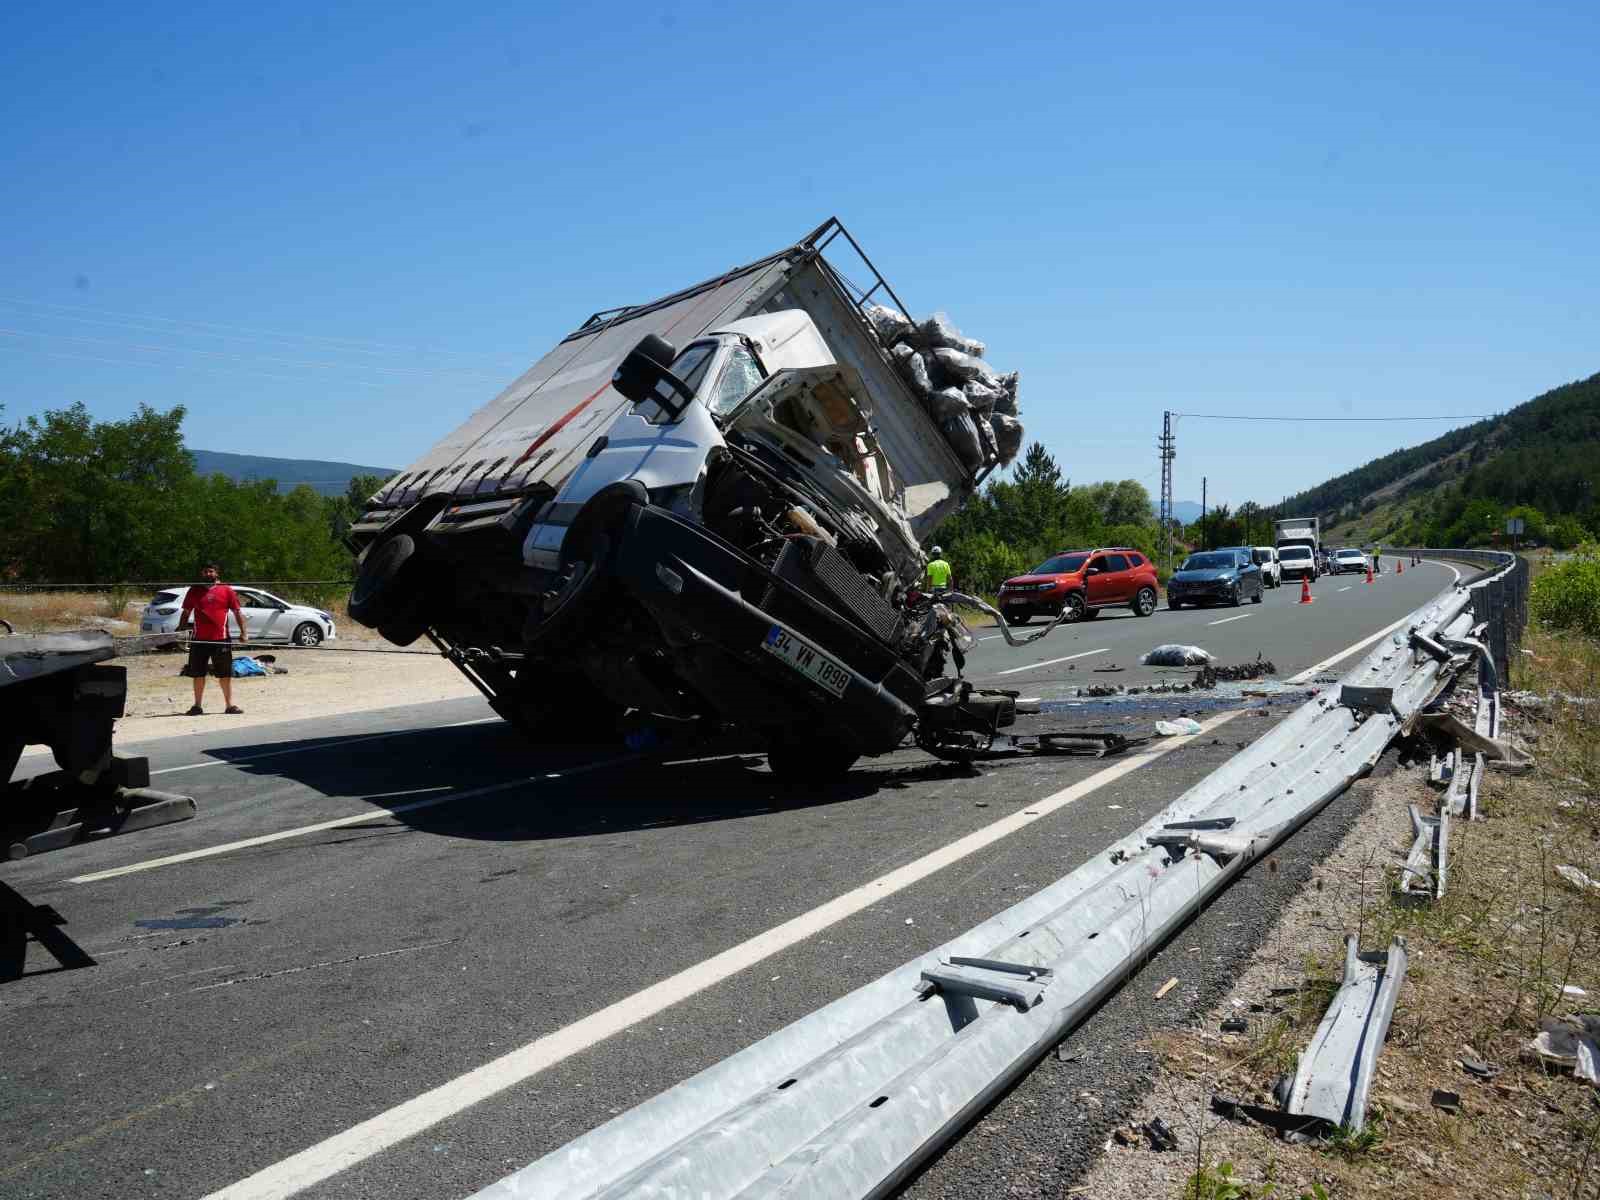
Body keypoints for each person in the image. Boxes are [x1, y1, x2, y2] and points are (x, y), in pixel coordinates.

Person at [176, 563, 247, 715]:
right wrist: (181, 627)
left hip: (221, 639)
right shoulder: (194, 590)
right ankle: (197, 706)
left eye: (211, 571)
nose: (208, 574)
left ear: (216, 573)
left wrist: (243, 632)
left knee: (225, 674)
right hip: (199, 640)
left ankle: (229, 705)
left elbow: (237, 612)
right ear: (202, 574)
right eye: (205, 571)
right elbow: (186, 612)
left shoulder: (226, 590)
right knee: (198, 673)